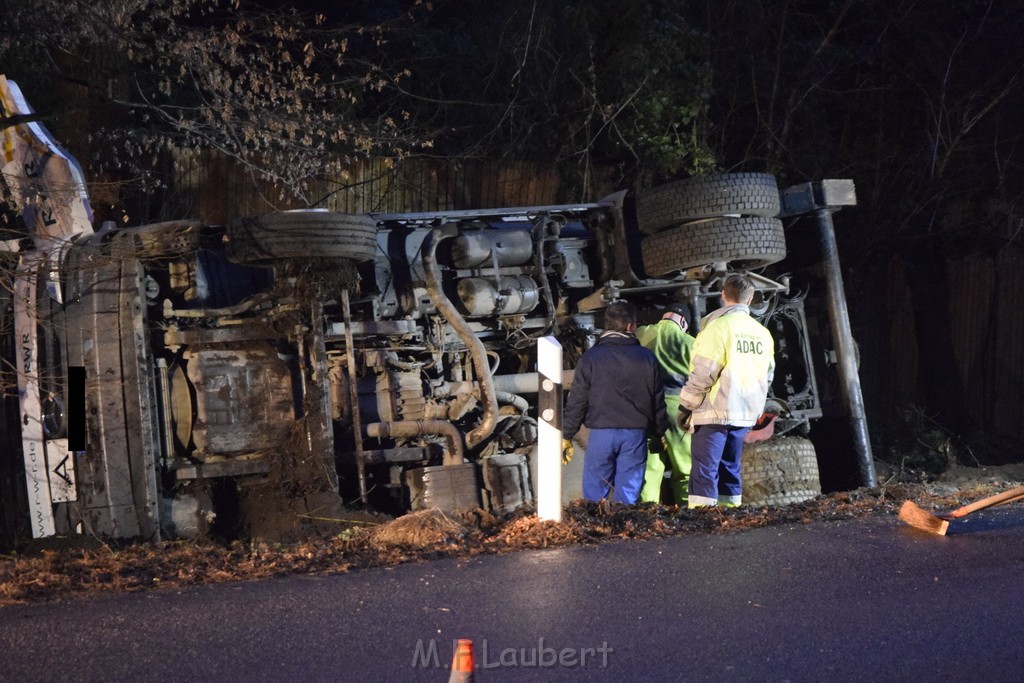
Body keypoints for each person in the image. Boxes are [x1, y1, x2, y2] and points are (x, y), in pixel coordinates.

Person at [678, 274, 775, 508]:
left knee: (705, 471)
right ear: (750, 300)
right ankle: (732, 517)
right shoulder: (762, 333)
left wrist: (685, 406)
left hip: (714, 412)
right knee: (731, 468)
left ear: (723, 295)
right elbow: (768, 374)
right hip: (744, 413)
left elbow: (703, 374)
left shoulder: (717, 328)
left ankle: (704, 521)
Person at [562, 300, 669, 504]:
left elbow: (577, 400)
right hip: (635, 434)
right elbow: (657, 400)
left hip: (602, 434)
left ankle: (595, 528)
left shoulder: (591, 358)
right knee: (628, 492)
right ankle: (623, 529)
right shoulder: (647, 358)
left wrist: (567, 434)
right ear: (630, 327)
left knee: (595, 491)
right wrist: (659, 432)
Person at [636, 303, 695, 505]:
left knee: (650, 467)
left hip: (646, 408)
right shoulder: (690, 342)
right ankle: (689, 514)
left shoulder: (642, 334)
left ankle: (647, 513)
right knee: (685, 466)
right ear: (683, 322)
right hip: (679, 408)